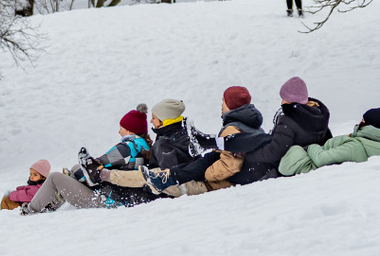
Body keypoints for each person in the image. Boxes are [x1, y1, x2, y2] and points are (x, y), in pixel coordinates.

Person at [22, 108, 156, 214]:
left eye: (121, 128)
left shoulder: (127, 148)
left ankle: (31, 211)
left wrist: (77, 175)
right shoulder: (142, 145)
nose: (119, 131)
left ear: (130, 130)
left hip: (108, 200)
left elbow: (97, 165)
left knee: (54, 178)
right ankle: (50, 203)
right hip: (117, 194)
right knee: (75, 169)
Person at [141, 86, 270, 195]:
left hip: (221, 183)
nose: (221, 105)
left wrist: (204, 174)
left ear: (230, 105)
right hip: (236, 177)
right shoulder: (251, 125)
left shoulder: (232, 128)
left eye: (223, 101)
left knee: (150, 179)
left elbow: (230, 165)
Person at [223, 76, 331, 184]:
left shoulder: (289, 120)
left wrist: (249, 155)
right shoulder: (317, 115)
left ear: (289, 100)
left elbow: (274, 151)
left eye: (284, 98)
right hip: (304, 160)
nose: (282, 101)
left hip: (286, 166)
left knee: (239, 176)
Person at [101, 98, 204, 191]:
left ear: (164, 120)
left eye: (154, 118)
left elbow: (167, 176)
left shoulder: (164, 144)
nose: (150, 121)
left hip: (163, 190)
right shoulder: (182, 135)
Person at [279, 107, 380, 176]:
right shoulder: (378, 144)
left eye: (363, 120)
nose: (360, 122)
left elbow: (321, 159)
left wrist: (311, 146)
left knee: (291, 151)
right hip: (318, 158)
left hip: (307, 165)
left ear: (369, 125)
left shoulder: (355, 146)